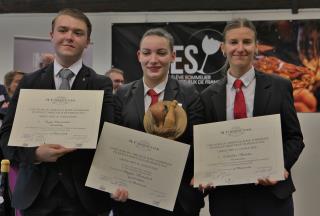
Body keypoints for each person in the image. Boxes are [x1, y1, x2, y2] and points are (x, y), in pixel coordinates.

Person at [0, 8, 126, 216]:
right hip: (36, 197)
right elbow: (6, 137)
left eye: (78, 33)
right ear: (52, 36)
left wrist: (115, 180)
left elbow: (109, 140)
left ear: (87, 41)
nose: (69, 37)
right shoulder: (29, 82)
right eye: (63, 30)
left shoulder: (100, 83)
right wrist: (36, 154)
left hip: (85, 198)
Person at [200, 18, 305, 216]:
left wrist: (278, 166)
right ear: (223, 48)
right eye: (233, 42)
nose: (240, 48)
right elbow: (204, 146)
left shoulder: (280, 87)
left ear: (256, 47)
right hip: (226, 199)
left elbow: (295, 138)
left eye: (247, 42)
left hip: (272, 196)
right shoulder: (207, 96)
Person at [113, 28, 205, 216]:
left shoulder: (189, 94)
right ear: (139, 56)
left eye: (161, 53)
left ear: (172, 56)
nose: (153, 60)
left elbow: (199, 144)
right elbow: (113, 143)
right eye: (147, 53)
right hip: (132, 199)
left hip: (177, 200)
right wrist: (114, 181)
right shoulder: (122, 94)